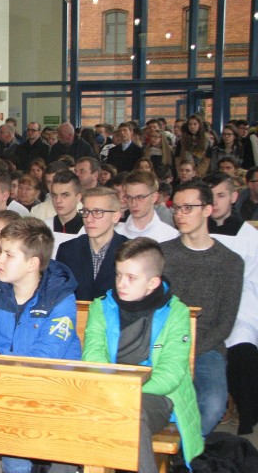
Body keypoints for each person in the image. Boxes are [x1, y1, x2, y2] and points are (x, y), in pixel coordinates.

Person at [0, 218, 80, 473]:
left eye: (8, 254)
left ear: (32, 263)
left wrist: (1, 365)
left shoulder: (60, 298)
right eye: (1, 252)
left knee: (17, 417)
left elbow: (45, 358)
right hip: (1, 385)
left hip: (53, 393)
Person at [82, 238, 204, 472]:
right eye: (118, 275)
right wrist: (114, 390)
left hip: (157, 395)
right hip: (107, 389)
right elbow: (93, 356)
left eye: (131, 278)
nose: (121, 284)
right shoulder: (102, 306)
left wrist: (126, 393)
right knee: (69, 412)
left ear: (152, 283)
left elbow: (170, 374)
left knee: (132, 417)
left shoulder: (175, 313)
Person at [161, 180, 244, 436]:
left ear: (207, 210)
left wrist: (191, 350)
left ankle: (180, 455)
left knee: (213, 404)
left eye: (188, 208)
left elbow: (225, 323)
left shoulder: (230, 262)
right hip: (163, 343)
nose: (179, 214)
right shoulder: (162, 254)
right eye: (176, 208)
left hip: (207, 347)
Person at [204, 172, 258, 434]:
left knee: (243, 348)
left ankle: (246, 416)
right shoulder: (197, 230)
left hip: (240, 307)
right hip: (204, 306)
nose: (214, 202)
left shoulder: (249, 236)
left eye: (221, 195)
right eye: (210, 196)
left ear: (234, 197)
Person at [56, 187, 127, 301]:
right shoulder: (68, 250)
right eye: (86, 212)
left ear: (116, 216)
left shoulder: (130, 251)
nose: (89, 219)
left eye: (98, 212)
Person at [115, 171, 179, 242]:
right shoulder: (115, 233)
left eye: (140, 197)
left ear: (154, 197)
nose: (133, 203)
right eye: (129, 197)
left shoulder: (171, 236)